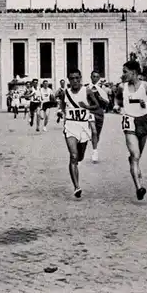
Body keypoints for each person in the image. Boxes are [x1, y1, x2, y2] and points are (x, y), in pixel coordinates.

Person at [115, 60, 147, 201]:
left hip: (143, 122)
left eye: (125, 72)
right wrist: (117, 106)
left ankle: (133, 162)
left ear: (133, 72)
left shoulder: (146, 86)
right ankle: (139, 188)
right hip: (129, 122)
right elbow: (117, 99)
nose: (123, 75)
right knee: (135, 155)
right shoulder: (122, 87)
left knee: (137, 155)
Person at [60, 69, 99, 198]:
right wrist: (62, 113)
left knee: (80, 156)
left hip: (83, 126)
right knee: (73, 155)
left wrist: (86, 107)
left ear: (80, 78)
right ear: (68, 80)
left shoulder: (86, 91)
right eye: (72, 78)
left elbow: (96, 106)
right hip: (70, 126)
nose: (75, 81)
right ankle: (77, 187)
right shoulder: (65, 93)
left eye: (77, 78)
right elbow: (63, 106)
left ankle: (78, 161)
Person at [87, 71, 109, 163]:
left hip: (99, 113)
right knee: (94, 131)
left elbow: (107, 103)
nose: (95, 78)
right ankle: (95, 152)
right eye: (93, 76)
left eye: (97, 77)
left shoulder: (102, 89)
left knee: (97, 133)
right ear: (91, 77)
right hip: (90, 112)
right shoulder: (86, 88)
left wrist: (101, 99)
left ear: (99, 78)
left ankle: (94, 146)